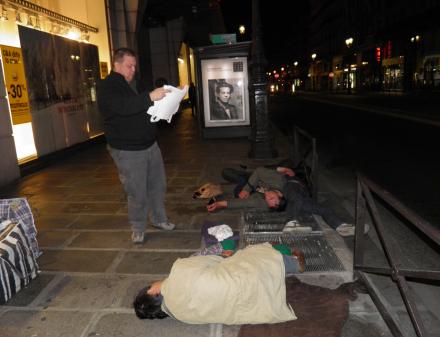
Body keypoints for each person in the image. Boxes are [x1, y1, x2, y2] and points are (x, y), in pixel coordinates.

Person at [97, 48, 175, 244]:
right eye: (128, 66)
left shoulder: (137, 83)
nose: (132, 70)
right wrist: (150, 96)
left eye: (134, 66)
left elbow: (147, 106)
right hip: (128, 149)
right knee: (137, 191)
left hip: (150, 144)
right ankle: (138, 228)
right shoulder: (107, 86)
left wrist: (169, 101)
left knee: (158, 185)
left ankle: (159, 219)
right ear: (116, 64)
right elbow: (124, 107)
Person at [133, 243, 303, 324]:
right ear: (152, 292)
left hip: (252, 302)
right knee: (252, 251)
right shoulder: (178, 269)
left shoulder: (181, 316)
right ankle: (292, 262)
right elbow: (218, 258)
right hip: (247, 278)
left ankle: (283, 268)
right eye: (150, 285)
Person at [208, 166, 360, 236]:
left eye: (270, 199)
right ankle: (291, 223)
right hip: (280, 183)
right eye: (271, 199)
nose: (267, 197)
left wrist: (219, 204)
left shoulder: (273, 190)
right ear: (281, 196)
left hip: (284, 186)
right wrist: (246, 189)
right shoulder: (278, 185)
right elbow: (259, 173)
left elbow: (243, 201)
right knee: (229, 172)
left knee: (319, 208)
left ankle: (340, 226)